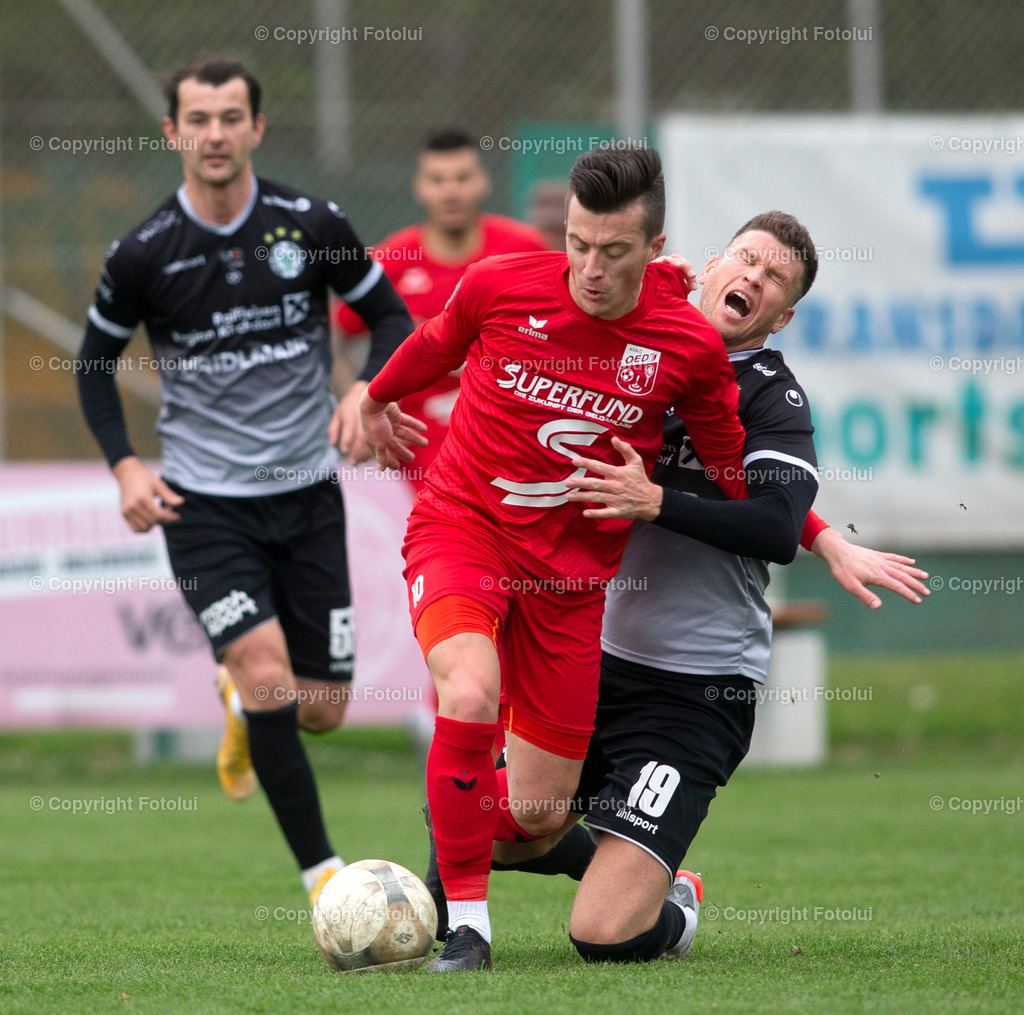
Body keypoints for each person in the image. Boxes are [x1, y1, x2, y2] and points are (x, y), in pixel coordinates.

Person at [483, 213, 929, 963]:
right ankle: (464, 918)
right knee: (477, 822)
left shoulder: (772, 397)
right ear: (715, 262)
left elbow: (768, 523)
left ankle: (672, 903)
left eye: (774, 277)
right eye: (748, 258)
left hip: (696, 692)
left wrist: (668, 503)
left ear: (782, 316)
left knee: (603, 936)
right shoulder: (643, 341)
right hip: (589, 657)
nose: (754, 276)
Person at [360, 144, 761, 971]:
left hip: (573, 588)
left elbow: (731, 476)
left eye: (613, 251)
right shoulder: (502, 284)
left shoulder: (686, 344)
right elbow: (433, 346)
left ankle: (500, 820)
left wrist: (814, 531)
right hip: (463, 527)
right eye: (578, 243)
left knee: (539, 810)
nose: (589, 267)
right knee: (468, 693)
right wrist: (372, 400)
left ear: (654, 250)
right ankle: (466, 928)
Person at [74, 55, 419, 903]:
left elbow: (391, 317)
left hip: (306, 497)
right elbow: (92, 366)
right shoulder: (145, 252)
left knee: (323, 707)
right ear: (173, 133)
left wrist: (369, 392)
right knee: (269, 674)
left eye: (233, 117)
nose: (216, 133)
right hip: (203, 506)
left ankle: (241, 703)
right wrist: (124, 466)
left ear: (257, 128)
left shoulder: (312, 223)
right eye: (200, 118)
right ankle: (324, 878)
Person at [334, 128, 549, 481]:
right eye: (437, 179)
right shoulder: (394, 259)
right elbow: (338, 330)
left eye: (462, 178)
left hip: (512, 448)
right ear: (420, 186)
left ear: (483, 182)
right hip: (419, 456)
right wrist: (358, 401)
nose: (451, 190)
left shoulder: (525, 250)